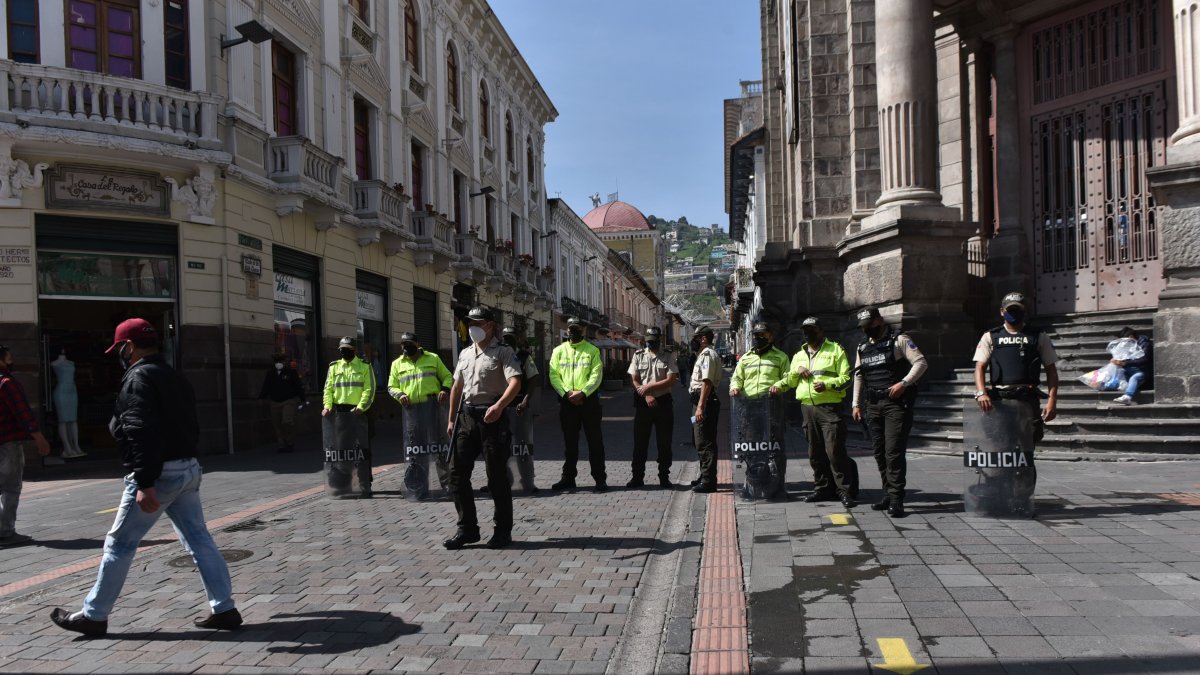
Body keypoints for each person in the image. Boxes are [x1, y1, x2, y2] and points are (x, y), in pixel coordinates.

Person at [50, 319, 240, 637]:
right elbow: (190, 424)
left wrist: (144, 481)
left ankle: (94, 616)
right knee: (199, 539)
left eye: (120, 348)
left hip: (160, 472)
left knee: (119, 544)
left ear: (129, 346)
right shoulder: (174, 375)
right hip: (187, 468)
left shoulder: (138, 378)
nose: (120, 354)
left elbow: (140, 431)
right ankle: (224, 608)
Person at [972, 291, 1059, 516]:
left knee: (1025, 455)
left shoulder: (1037, 336)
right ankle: (999, 498)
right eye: (1010, 310)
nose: (1014, 313)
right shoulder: (991, 336)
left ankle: (1022, 501)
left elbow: (1051, 369)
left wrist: (1052, 400)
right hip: (999, 402)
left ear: (1024, 310)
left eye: (1018, 309)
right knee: (1000, 452)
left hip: (1027, 401)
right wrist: (981, 393)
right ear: (1002, 312)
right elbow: (980, 367)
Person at [443, 307, 522, 550]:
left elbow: (516, 382)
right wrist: (450, 420)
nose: (473, 326)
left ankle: (502, 531)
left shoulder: (503, 352)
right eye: (470, 322)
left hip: (493, 419)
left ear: (490, 325)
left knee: (496, 477)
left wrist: (499, 406)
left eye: (478, 322)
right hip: (466, 418)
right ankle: (467, 529)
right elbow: (457, 387)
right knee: (456, 474)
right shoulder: (465, 353)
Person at [851, 307, 928, 518]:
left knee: (893, 452)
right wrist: (855, 404)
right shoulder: (863, 347)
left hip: (896, 404)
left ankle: (896, 499)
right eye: (864, 327)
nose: (868, 330)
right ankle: (887, 493)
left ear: (880, 321)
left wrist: (904, 383)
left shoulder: (899, 340)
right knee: (879, 452)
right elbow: (858, 376)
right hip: (872, 405)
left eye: (870, 325)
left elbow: (920, 362)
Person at [772, 317, 855, 507]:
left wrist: (827, 385)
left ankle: (844, 490)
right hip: (807, 408)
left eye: (812, 329)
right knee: (814, 452)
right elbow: (790, 380)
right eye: (805, 330)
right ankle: (822, 488)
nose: (807, 333)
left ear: (821, 330)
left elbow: (846, 378)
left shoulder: (835, 350)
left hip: (829, 408)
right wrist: (779, 384)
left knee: (834, 451)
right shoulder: (799, 355)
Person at [729, 322, 790, 493]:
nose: (758, 338)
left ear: (770, 336)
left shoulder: (781, 357)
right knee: (750, 446)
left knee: (775, 445)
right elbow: (736, 377)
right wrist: (734, 387)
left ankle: (778, 484)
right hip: (749, 408)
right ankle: (751, 483)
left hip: (771, 406)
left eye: (762, 335)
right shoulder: (745, 358)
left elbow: (788, 378)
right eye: (755, 335)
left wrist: (779, 385)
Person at [0, 345, 52, 548]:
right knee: (10, 487)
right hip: (7, 443)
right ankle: (5, 531)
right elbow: (23, 414)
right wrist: (39, 437)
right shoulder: (6, 383)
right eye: (9, 357)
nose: (12, 361)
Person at [548, 317, 607, 492]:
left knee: (595, 442)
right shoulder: (558, 351)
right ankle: (568, 479)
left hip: (588, 402)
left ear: (582, 330)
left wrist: (583, 392)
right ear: (567, 330)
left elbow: (596, 376)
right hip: (567, 402)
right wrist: (567, 393)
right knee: (569, 443)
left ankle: (600, 479)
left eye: (576, 329)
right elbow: (553, 375)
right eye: (570, 329)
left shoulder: (592, 351)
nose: (572, 332)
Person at [321, 337, 376, 498]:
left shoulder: (365, 366)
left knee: (363, 451)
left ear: (354, 350)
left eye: (347, 348)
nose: (344, 351)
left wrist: (361, 407)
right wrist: (327, 406)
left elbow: (369, 389)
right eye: (341, 348)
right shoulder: (334, 367)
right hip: (340, 414)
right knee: (343, 451)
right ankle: (344, 484)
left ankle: (365, 484)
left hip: (360, 413)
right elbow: (328, 389)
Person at [627, 326, 679, 488]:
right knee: (639, 443)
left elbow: (671, 379)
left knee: (664, 442)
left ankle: (664, 477)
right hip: (643, 403)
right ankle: (637, 477)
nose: (651, 344)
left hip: (663, 403)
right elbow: (634, 379)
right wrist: (647, 395)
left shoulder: (668, 356)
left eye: (654, 341)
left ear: (660, 339)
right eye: (648, 341)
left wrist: (649, 388)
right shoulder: (638, 355)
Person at [501, 327, 541, 493]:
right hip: (501, 407)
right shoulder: (498, 354)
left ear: (516, 339)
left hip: (520, 408)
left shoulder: (524, 357)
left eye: (511, 338)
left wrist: (525, 400)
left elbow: (533, 379)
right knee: (499, 447)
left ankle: (527, 480)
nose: (507, 341)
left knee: (523, 446)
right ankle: (500, 479)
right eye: (505, 338)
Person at [689, 326, 724, 493]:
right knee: (699, 440)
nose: (693, 342)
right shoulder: (703, 355)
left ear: (703, 339)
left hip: (705, 402)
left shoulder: (708, 355)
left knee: (704, 441)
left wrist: (701, 407)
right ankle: (704, 475)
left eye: (696, 338)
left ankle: (709, 481)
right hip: (700, 401)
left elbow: (707, 382)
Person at [387, 332, 452, 408]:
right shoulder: (396, 364)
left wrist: (445, 389)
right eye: (404, 344)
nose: (407, 347)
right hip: (410, 409)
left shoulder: (433, 358)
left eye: (410, 344)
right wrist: (400, 395)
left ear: (417, 344)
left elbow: (447, 376)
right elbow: (391, 387)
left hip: (432, 407)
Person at [259, 352, 306, 453]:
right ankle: (282, 445)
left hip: (288, 401)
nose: (278, 363)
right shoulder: (270, 373)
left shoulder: (291, 373)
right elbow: (266, 386)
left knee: (287, 421)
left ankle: (289, 442)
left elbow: (298, 386)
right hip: (275, 401)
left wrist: (303, 399)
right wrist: (261, 398)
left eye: (281, 361)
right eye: (277, 361)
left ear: (285, 362)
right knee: (277, 424)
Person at [50, 349, 86, 458]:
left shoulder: (71, 363)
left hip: (72, 390)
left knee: (73, 420)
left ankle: (76, 446)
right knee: (63, 420)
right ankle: (67, 447)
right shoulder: (54, 363)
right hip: (61, 391)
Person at [1112, 327, 1153, 406]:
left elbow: (1144, 360)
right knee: (1120, 371)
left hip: (1145, 371)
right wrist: (1116, 360)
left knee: (1134, 377)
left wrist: (1125, 363)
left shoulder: (1144, 344)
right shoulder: (1129, 345)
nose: (1124, 343)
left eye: (1125, 340)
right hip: (1133, 369)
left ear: (1131, 337)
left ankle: (1127, 396)